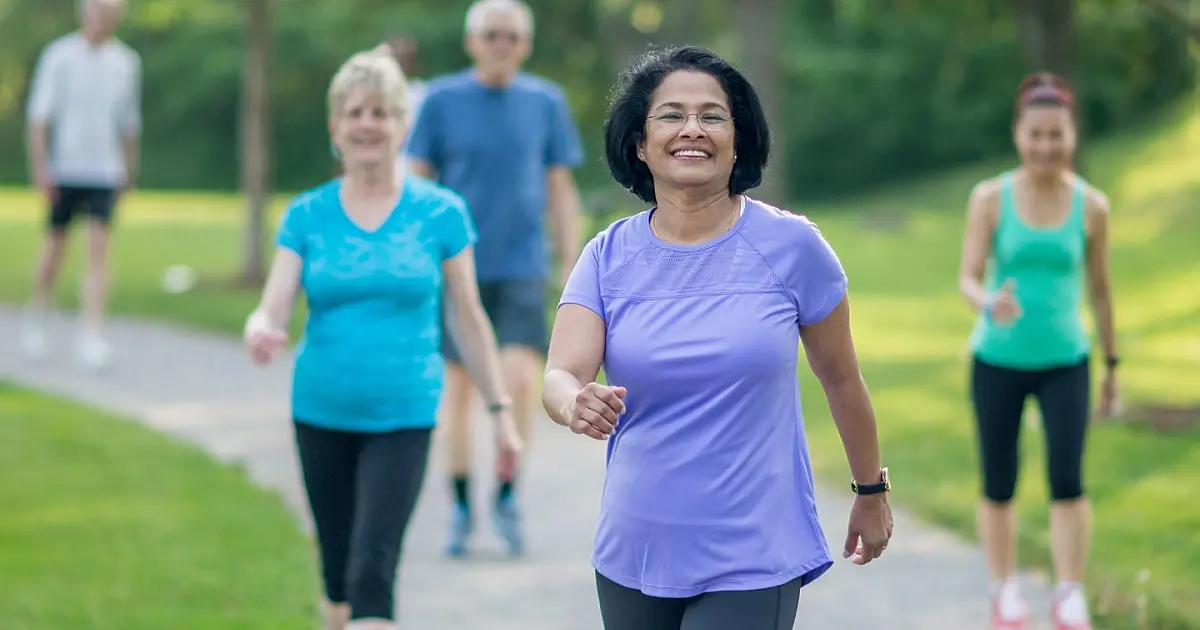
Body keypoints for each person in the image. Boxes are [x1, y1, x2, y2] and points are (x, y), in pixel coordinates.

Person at [541, 45, 894, 630]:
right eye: (672, 115)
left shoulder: (794, 248)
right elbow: (560, 375)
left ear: (738, 140)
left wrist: (870, 489)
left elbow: (841, 378)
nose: (693, 130)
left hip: (755, 552)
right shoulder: (606, 256)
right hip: (635, 550)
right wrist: (573, 402)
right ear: (639, 142)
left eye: (712, 116)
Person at [242, 45, 523, 630]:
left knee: (374, 570)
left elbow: (469, 318)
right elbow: (274, 302)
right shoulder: (307, 214)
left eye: (380, 112)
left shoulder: (440, 213)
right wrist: (262, 330)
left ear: (402, 125)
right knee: (337, 576)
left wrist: (501, 413)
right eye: (355, 112)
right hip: (321, 411)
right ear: (335, 127)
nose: (367, 124)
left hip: (404, 414)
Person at [405, 0, 586, 557]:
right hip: (455, 270)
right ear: (472, 41)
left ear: (524, 45)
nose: (501, 44)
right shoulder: (439, 100)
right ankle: (461, 503)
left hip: (521, 265)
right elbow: (416, 184)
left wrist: (573, 264)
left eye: (511, 36)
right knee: (459, 389)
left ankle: (507, 490)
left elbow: (560, 189)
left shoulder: (545, 102)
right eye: (491, 34)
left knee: (518, 382)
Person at [958, 73, 1118, 630]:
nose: (1046, 146)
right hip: (996, 361)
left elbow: (1100, 290)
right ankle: (1004, 589)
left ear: (1072, 135)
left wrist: (1113, 364)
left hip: (1066, 361)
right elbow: (968, 277)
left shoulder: (1092, 206)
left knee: (1068, 480)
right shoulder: (989, 198)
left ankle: (1069, 592)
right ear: (1017, 135)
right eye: (1036, 134)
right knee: (999, 479)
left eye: (1057, 134)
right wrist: (988, 302)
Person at [22, 0, 141, 372]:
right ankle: (39, 314)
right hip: (66, 169)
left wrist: (129, 170)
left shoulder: (126, 62)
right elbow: (39, 117)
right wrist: (41, 168)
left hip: (104, 171)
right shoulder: (59, 56)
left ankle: (91, 333)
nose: (104, 20)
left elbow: (129, 122)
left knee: (98, 251)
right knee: (54, 247)